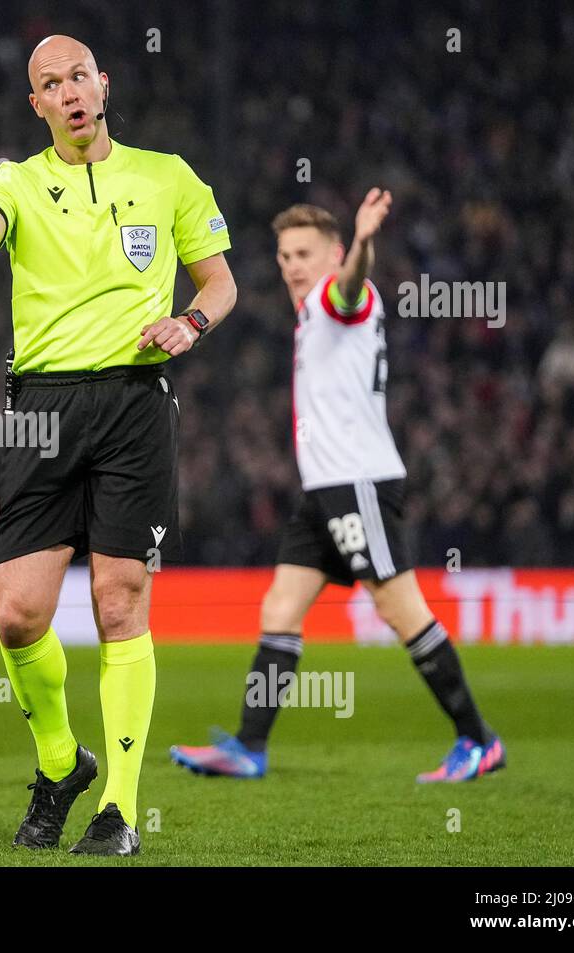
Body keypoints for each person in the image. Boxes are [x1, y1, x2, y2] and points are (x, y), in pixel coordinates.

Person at [0, 34, 237, 854]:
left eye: (80, 75)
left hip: (133, 400)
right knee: (17, 616)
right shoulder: (17, 180)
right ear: (38, 105)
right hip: (42, 408)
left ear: (103, 82)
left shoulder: (168, 176)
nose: (71, 91)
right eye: (52, 83)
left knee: (119, 601)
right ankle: (61, 763)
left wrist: (190, 323)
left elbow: (221, 282)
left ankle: (118, 808)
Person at [169, 193, 506, 784]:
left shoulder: (336, 298)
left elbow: (350, 284)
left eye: (303, 253)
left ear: (333, 254)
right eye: (282, 255)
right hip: (323, 491)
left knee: (399, 609)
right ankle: (250, 746)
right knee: (281, 607)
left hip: (359, 484)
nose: (291, 265)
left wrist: (366, 241)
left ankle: (479, 741)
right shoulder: (310, 314)